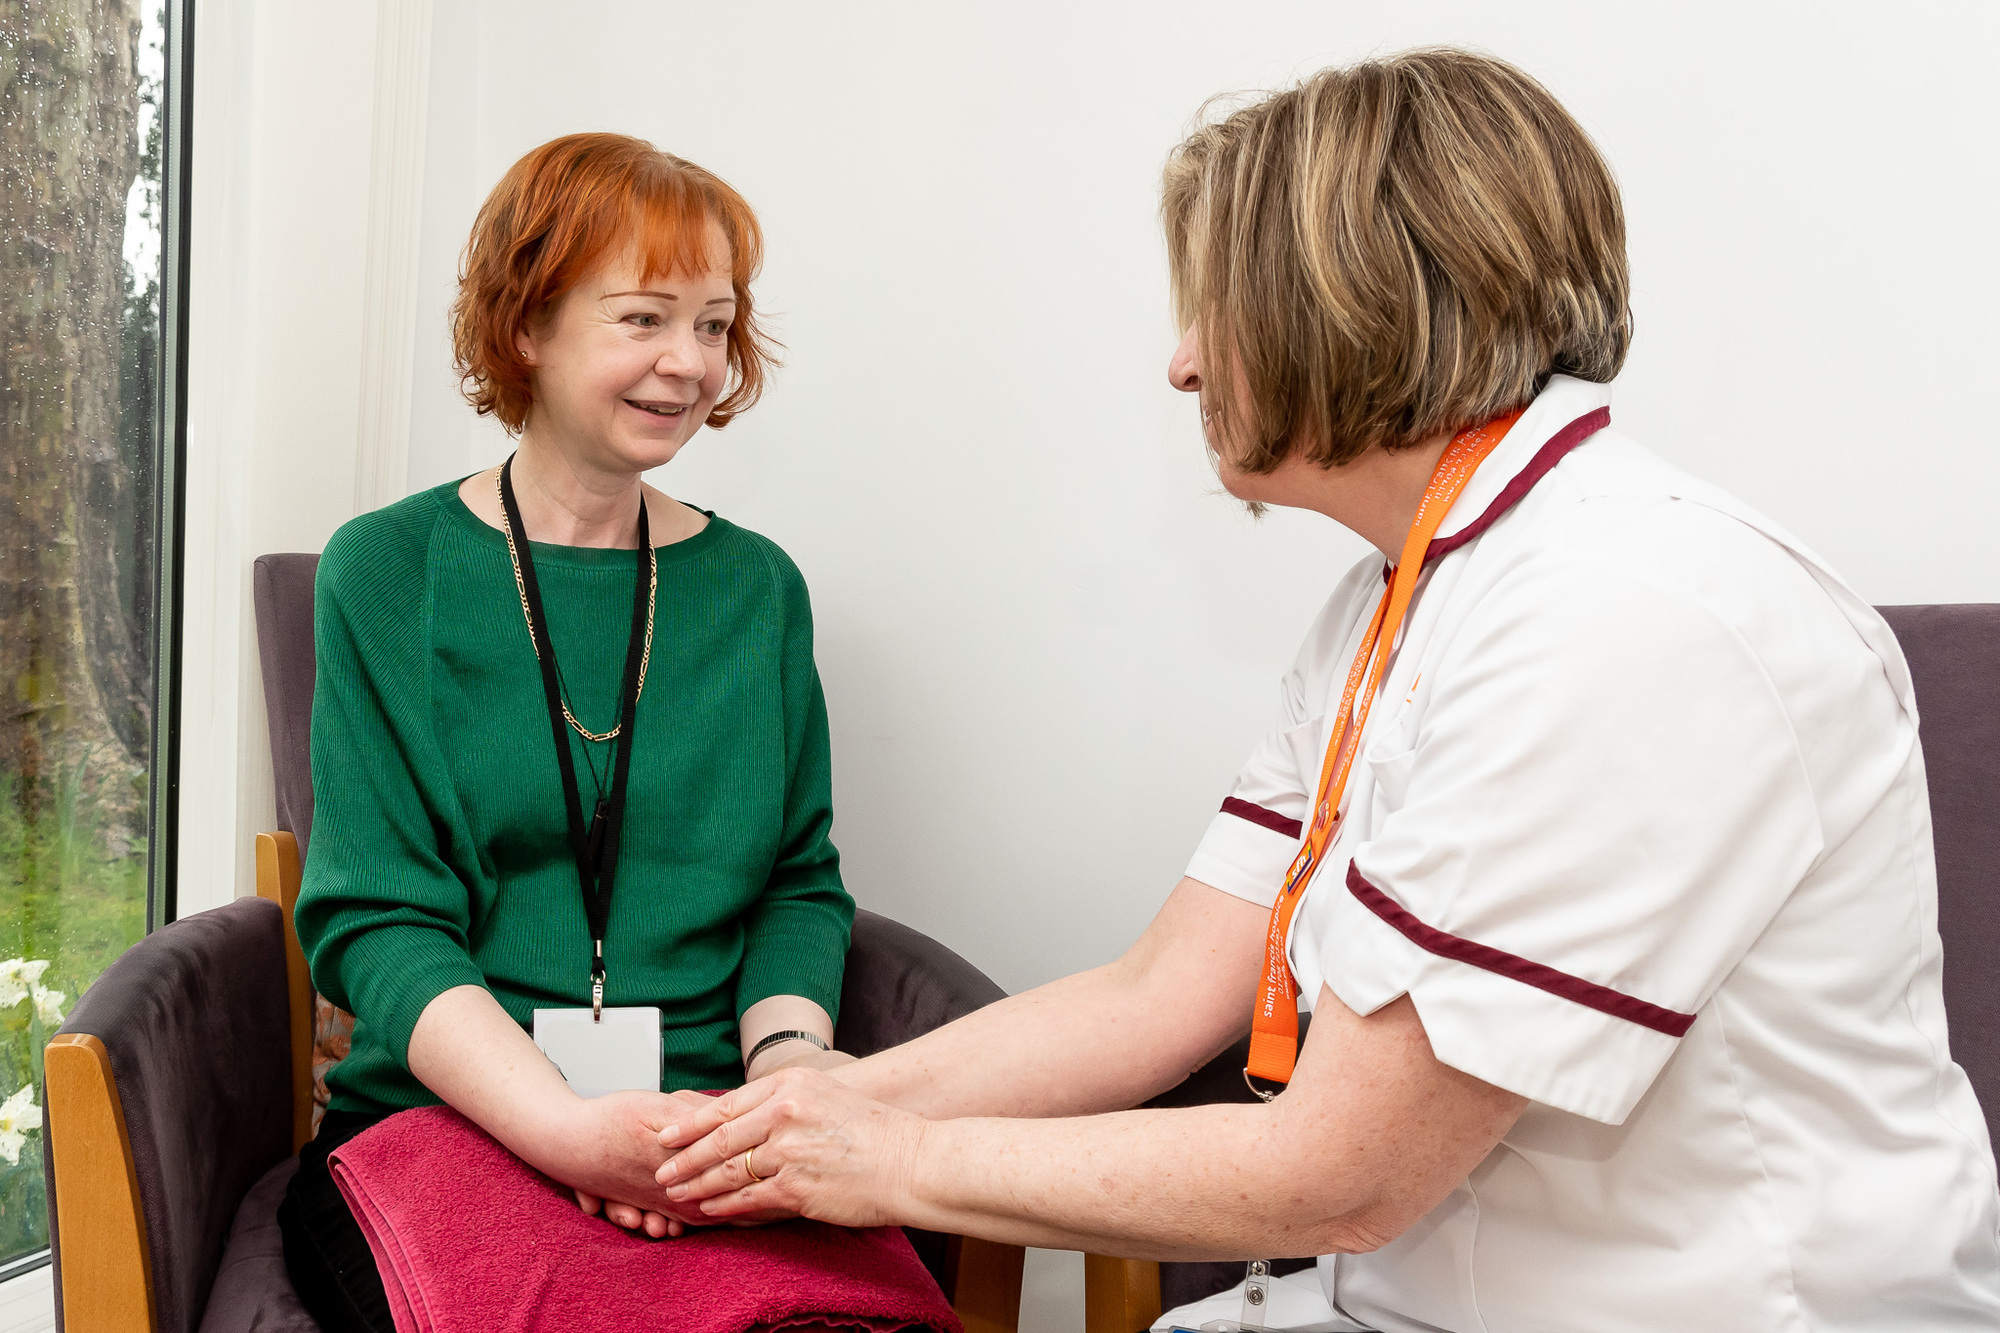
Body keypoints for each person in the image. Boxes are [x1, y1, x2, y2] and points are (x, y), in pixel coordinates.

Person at [648, 50, 2000, 1331]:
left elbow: (1345, 1172)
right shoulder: (1398, 595)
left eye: (1212, 307)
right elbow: (1157, 995)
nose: (1180, 361)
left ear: (1349, 299)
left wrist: (878, 1161)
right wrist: (781, 1127)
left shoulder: (1625, 615)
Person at [279, 133, 855, 1333]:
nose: (689, 363)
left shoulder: (759, 589)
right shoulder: (387, 570)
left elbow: (797, 883)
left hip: (707, 1134)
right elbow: (373, 917)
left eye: (713, 324)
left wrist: (786, 1073)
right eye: (644, 318)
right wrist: (568, 1132)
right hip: (448, 1121)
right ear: (527, 327)